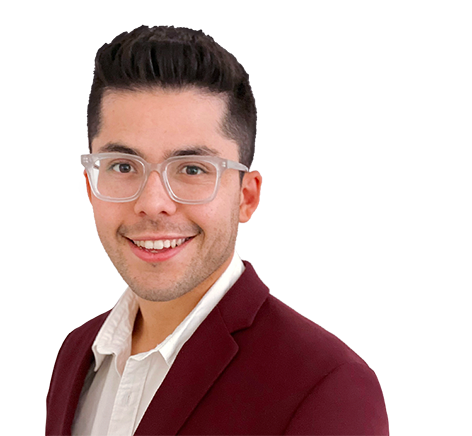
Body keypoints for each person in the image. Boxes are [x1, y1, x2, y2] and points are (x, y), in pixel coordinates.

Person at [45, 26, 389, 436]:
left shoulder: (327, 386)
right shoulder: (79, 351)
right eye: (122, 166)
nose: (153, 202)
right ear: (90, 187)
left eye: (192, 169)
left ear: (246, 196)